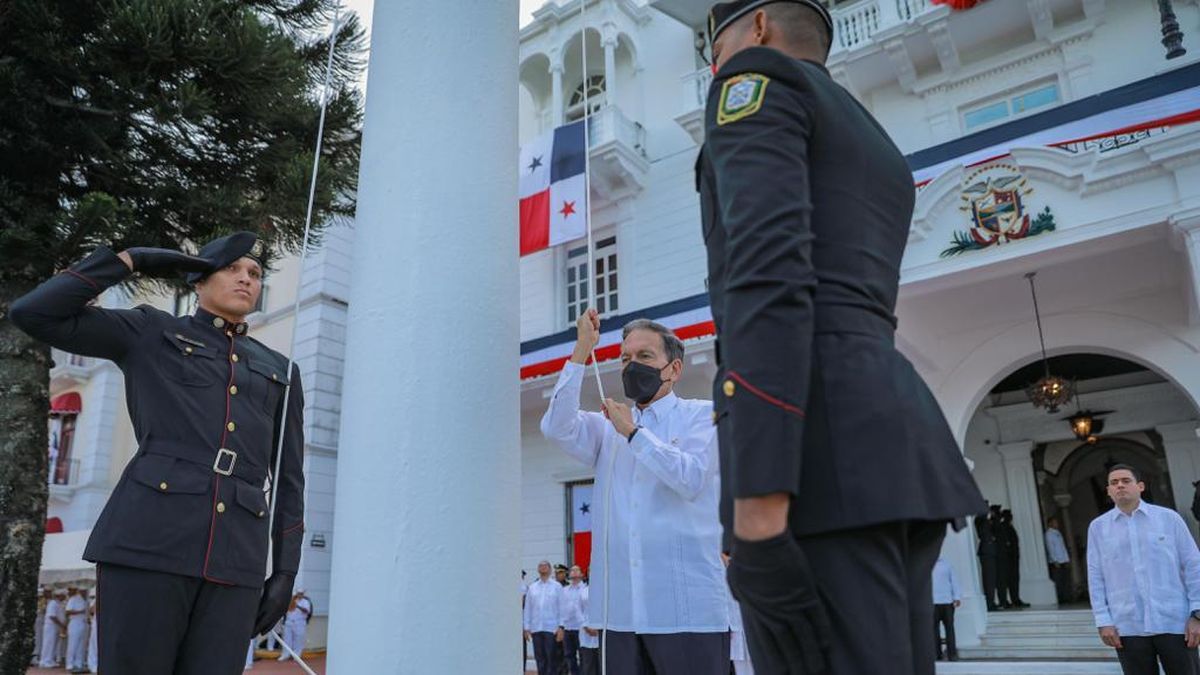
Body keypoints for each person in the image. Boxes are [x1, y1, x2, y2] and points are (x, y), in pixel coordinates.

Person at [697, 1, 987, 673]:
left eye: (718, 44)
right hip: (884, 440)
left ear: (761, 26)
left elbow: (767, 274)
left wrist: (760, 502)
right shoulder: (868, 132)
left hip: (812, 459)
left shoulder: (756, 85)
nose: (715, 63)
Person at [9, 232, 306, 675]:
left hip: (236, 559)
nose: (246, 279)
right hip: (147, 544)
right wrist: (128, 260)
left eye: (256, 273)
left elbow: (289, 478)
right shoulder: (151, 330)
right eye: (231, 268)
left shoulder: (281, 370)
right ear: (198, 280)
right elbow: (33, 313)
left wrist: (284, 572)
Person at [542, 311, 730, 673]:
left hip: (687, 612)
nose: (631, 366)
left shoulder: (703, 416)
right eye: (625, 358)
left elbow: (690, 478)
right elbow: (556, 427)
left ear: (674, 369)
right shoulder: (607, 429)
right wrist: (582, 349)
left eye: (644, 357)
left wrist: (633, 433)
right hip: (621, 615)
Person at [1088, 464, 1200, 675]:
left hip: (1175, 622)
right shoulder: (1098, 528)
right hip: (1127, 626)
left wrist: (1198, 614)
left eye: (1125, 481)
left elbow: (1194, 566)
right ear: (1109, 491)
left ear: (1140, 486)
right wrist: (1103, 621)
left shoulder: (1169, 519)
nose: (1120, 485)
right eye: (1114, 482)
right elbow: (1096, 576)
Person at [524, 561, 565, 675]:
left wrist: (561, 627)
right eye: (540, 566)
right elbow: (528, 608)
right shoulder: (532, 587)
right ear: (538, 569)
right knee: (540, 660)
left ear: (550, 569)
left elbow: (562, 607)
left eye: (545, 565)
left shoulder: (557, 586)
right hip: (536, 628)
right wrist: (526, 627)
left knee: (552, 659)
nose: (542, 567)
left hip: (551, 629)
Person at [931, 557, 962, 661]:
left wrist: (957, 597)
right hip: (933, 602)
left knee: (949, 629)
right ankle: (936, 654)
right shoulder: (927, 564)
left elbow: (954, 580)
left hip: (947, 601)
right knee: (934, 630)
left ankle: (952, 654)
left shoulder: (946, 564)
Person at [997, 509, 1029, 608]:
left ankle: (1015, 599)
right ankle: (1010, 600)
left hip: (1013, 557)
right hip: (1008, 558)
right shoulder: (1003, 527)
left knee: (1014, 579)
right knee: (1008, 579)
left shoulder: (1008, 526)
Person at [560, 565, 588, 675]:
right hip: (568, 627)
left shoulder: (585, 589)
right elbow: (561, 608)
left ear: (581, 574)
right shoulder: (564, 590)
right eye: (572, 570)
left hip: (582, 628)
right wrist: (561, 626)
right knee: (569, 655)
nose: (575, 572)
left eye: (577, 570)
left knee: (583, 655)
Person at [975, 508, 1000, 611]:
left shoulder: (987, 520)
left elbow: (996, 529)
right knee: (988, 579)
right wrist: (986, 517)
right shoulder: (980, 520)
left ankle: (992, 601)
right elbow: (982, 532)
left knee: (992, 578)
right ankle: (989, 603)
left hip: (991, 552)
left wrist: (994, 518)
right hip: (986, 552)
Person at [278, 588, 312, 661]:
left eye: (301, 593)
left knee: (298, 639)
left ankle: (296, 655)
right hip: (289, 622)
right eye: (298, 593)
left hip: (300, 622)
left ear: (303, 594)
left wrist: (297, 606)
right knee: (287, 639)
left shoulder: (306, 602)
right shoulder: (292, 600)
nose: (299, 595)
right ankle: (285, 655)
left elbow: (307, 611)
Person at [1045, 516, 1072, 603]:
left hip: (1063, 560)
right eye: (1054, 522)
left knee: (1065, 580)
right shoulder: (1048, 534)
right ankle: (1061, 598)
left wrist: (1066, 559)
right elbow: (1050, 548)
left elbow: (1062, 547)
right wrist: (1054, 560)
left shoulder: (1058, 533)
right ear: (1050, 523)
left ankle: (1067, 596)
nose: (1057, 524)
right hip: (1056, 562)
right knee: (1058, 580)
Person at [40, 588, 67, 668]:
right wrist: (61, 624)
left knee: (54, 644)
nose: (65, 597)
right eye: (64, 596)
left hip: (55, 627)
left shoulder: (58, 603)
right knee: (49, 643)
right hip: (51, 626)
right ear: (60, 596)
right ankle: (45, 661)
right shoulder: (53, 603)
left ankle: (50, 660)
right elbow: (52, 616)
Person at [65, 586, 89, 673]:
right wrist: (80, 612)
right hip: (74, 622)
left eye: (85, 591)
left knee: (81, 645)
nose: (84, 592)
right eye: (83, 591)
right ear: (80, 591)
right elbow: (67, 611)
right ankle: (69, 664)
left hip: (83, 623)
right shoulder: (73, 599)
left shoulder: (86, 600)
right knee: (73, 644)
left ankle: (78, 664)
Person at [32, 587, 48, 666]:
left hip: (42, 620)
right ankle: (35, 656)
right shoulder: (40, 602)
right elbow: (42, 610)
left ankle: (38, 656)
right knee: (38, 638)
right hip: (39, 620)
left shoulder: (43, 601)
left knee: (40, 639)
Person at [87, 590, 98, 674]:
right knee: (94, 644)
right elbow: (91, 611)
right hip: (96, 623)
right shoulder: (95, 601)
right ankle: (92, 665)